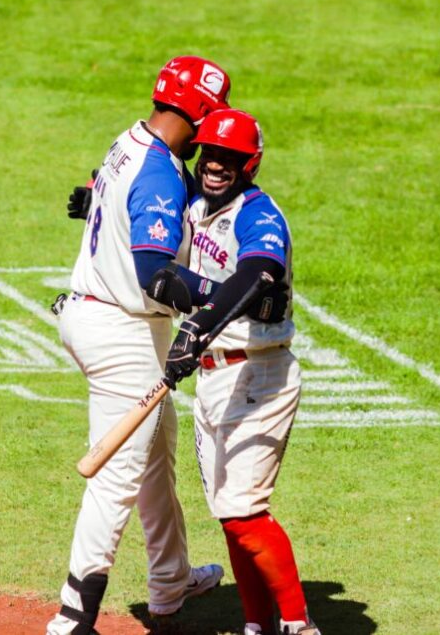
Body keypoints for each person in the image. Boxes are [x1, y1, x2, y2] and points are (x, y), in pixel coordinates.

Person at [47, 55, 232, 635]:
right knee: (116, 479)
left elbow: (104, 195)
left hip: (97, 314)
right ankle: (71, 616)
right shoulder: (159, 171)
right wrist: (223, 295)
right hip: (121, 332)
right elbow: (157, 273)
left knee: (157, 453)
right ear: (199, 111)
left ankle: (171, 580)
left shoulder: (132, 139)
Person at [145, 108, 320, 635]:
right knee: (230, 514)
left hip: (259, 377)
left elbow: (258, 271)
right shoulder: (195, 206)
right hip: (215, 379)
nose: (217, 165)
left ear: (251, 164)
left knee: (245, 512)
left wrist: (199, 328)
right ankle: (256, 625)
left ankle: (297, 624)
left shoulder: (258, 214)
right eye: (211, 154)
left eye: (231, 158)